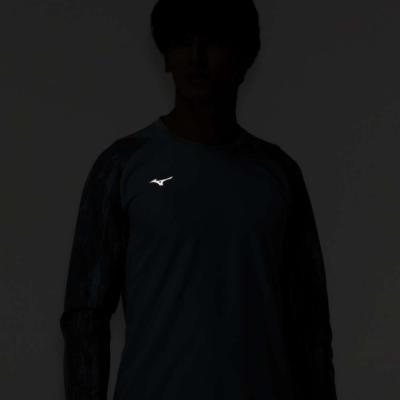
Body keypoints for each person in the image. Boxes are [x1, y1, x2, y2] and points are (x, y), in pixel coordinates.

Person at [59, 1, 338, 399]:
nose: (196, 57)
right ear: (166, 56)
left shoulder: (279, 174)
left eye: (213, 42)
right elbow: (86, 316)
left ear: (244, 58)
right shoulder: (121, 166)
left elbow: (310, 324)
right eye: (182, 42)